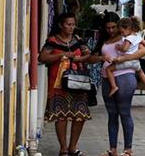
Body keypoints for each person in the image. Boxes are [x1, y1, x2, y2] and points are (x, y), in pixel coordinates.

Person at [39, 12, 105, 156]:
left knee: (80, 115)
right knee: (61, 116)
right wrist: (61, 56)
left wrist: (87, 57)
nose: (71, 27)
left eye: (73, 24)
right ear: (61, 25)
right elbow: (43, 57)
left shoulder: (78, 40)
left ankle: (73, 147)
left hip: (79, 83)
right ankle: (63, 148)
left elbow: (89, 56)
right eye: (68, 24)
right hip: (58, 84)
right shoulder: (53, 41)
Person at [94, 12, 145, 156]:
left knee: (124, 113)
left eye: (113, 27)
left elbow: (143, 50)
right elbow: (94, 56)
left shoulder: (128, 37)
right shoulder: (104, 40)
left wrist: (124, 59)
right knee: (112, 114)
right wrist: (100, 57)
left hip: (124, 76)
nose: (111, 30)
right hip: (107, 77)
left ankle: (128, 149)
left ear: (120, 26)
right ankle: (112, 149)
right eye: (108, 28)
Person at [105, 17, 145, 97]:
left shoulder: (128, 38)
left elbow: (124, 49)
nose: (122, 34)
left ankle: (114, 86)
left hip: (126, 61)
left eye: (122, 32)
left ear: (128, 28)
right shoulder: (137, 36)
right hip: (136, 62)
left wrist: (118, 47)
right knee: (141, 72)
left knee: (108, 69)